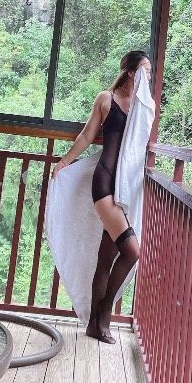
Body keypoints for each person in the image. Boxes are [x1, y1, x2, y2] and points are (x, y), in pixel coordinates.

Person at [51, 50, 152, 344]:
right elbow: (86, 135)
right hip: (105, 183)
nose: (148, 75)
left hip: (126, 187)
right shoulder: (106, 99)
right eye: (144, 70)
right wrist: (64, 162)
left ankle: (94, 325)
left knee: (106, 258)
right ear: (131, 72)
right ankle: (104, 315)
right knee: (132, 252)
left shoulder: (144, 105)